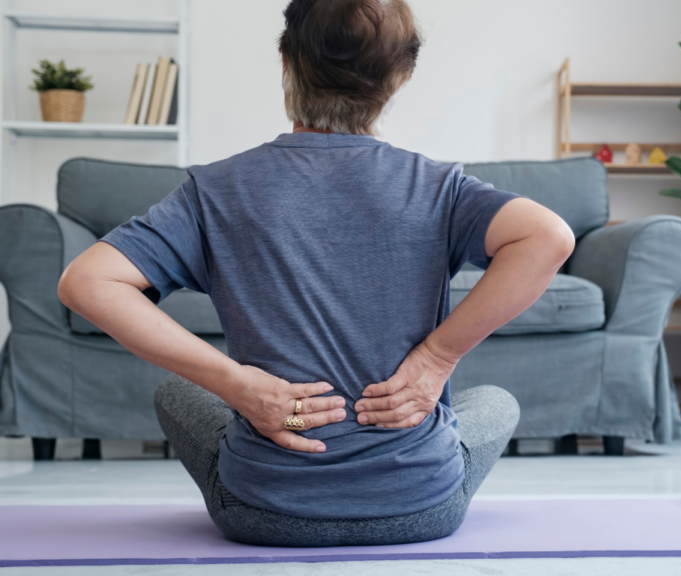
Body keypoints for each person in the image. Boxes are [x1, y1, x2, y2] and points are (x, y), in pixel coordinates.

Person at [57, 0, 574, 547]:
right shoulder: (438, 188)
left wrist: (239, 386)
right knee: (496, 402)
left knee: (173, 392)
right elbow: (549, 237)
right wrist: (436, 359)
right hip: (420, 508)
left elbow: (86, 282)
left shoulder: (215, 191)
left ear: (286, 62)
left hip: (261, 512)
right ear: (400, 77)